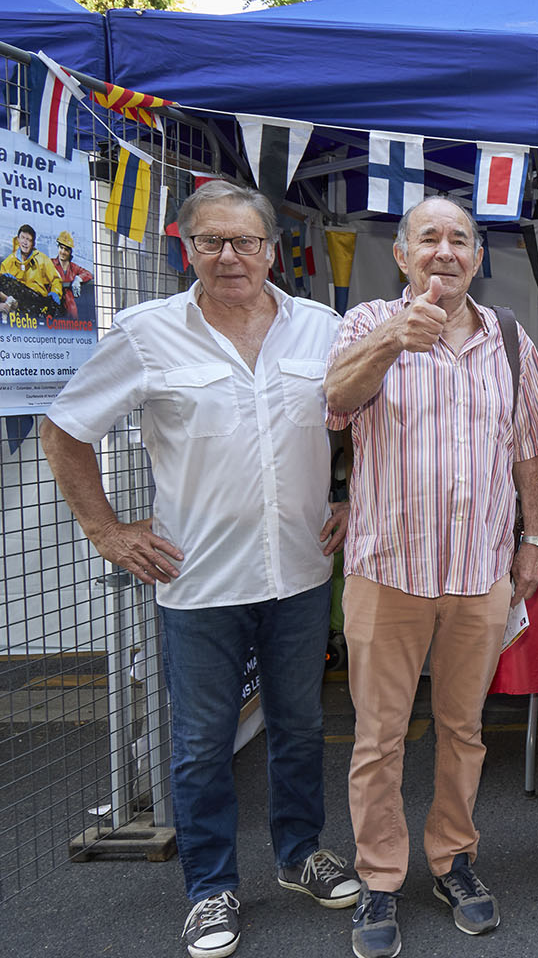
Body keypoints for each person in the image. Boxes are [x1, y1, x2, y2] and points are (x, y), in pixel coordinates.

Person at [39, 180, 358, 958]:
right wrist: (105, 530)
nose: (229, 256)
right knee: (201, 741)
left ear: (272, 251)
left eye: (245, 241)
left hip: (301, 572)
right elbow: (63, 429)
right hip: (199, 580)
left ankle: (297, 855)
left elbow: (359, 419)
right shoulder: (148, 334)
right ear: (187, 247)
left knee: (301, 726)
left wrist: (350, 493)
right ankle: (211, 887)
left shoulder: (322, 328)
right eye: (211, 241)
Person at [324, 196, 538, 958]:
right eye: (430, 238)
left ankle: (453, 860)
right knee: (379, 738)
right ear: (402, 254)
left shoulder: (512, 340)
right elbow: (335, 401)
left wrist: (534, 539)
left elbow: (529, 453)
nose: (445, 251)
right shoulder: (364, 325)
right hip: (388, 569)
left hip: (480, 571)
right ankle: (380, 878)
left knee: (463, 729)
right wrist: (394, 336)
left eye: (460, 239)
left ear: (478, 258)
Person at [2, 223, 63, 306]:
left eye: (28, 239)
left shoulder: (42, 259)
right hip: (17, 300)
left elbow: (56, 279)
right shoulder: (10, 260)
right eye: (23, 238)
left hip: (38, 300)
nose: (25, 242)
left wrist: (55, 293)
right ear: (18, 240)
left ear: (33, 243)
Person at [52, 229, 92, 319]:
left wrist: (78, 279)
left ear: (70, 252)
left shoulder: (74, 268)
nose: (63, 252)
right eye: (61, 248)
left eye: (66, 249)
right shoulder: (50, 264)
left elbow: (88, 274)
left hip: (70, 310)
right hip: (54, 308)